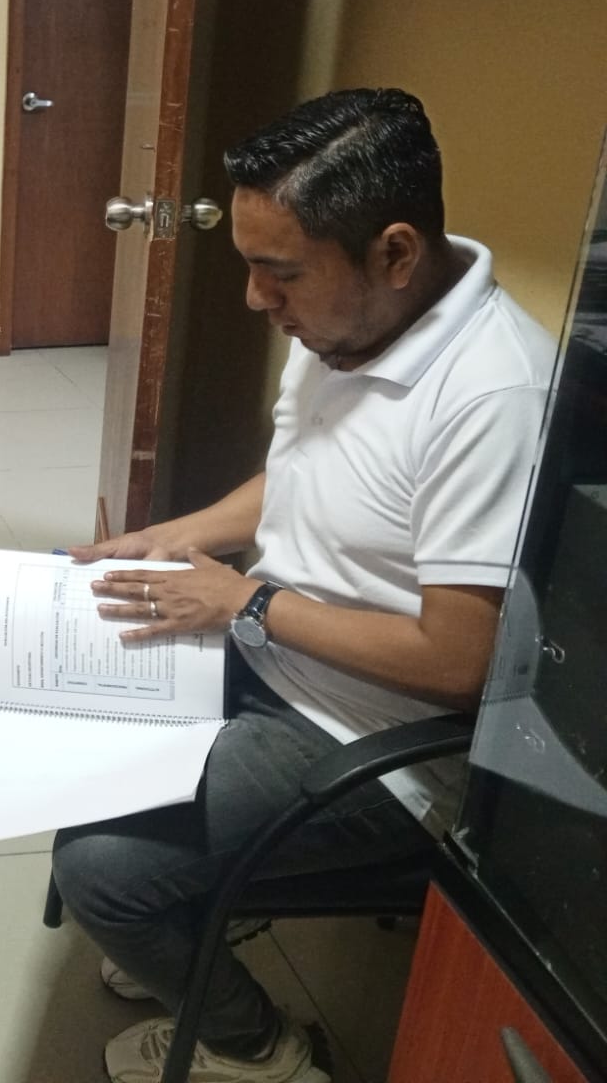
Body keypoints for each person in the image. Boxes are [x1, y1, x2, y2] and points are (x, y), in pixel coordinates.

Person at [53, 89, 555, 1083]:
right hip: (273, 650)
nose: (255, 299)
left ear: (395, 253)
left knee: (97, 873)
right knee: (66, 717)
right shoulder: (351, 323)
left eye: (278, 273)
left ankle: (259, 1050)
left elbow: (460, 663)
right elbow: (301, 468)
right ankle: (188, 916)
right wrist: (171, 537)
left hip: (372, 739)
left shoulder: (493, 396)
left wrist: (246, 603)